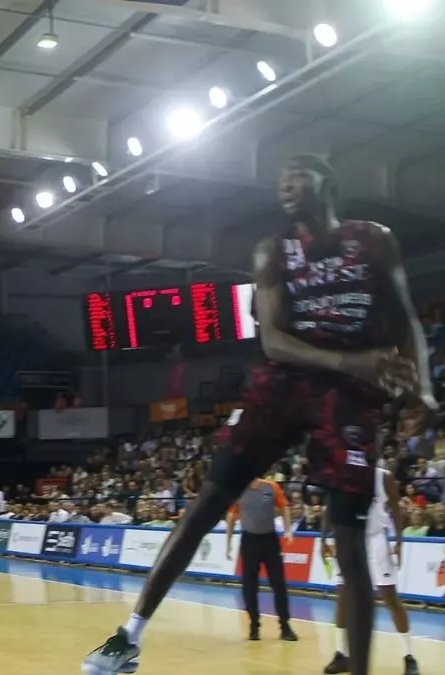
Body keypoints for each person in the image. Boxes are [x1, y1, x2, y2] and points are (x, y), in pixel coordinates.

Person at [81, 155, 437, 675]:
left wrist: (424, 391)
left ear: (328, 184)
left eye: (297, 176)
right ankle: (128, 637)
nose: (285, 186)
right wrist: (351, 361)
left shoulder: (374, 240)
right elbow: (273, 341)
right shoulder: (274, 250)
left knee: (351, 543)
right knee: (206, 503)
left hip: (348, 398)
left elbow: (406, 319)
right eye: (281, 180)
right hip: (284, 387)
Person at [322, 466, 420, 675]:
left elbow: (395, 509)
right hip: (348, 538)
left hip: (376, 540)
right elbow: (330, 507)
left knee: (390, 597)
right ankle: (341, 654)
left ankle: (409, 656)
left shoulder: (383, 477)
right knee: (343, 597)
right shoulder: (340, 475)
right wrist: (323, 540)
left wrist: (399, 541)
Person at [223, 478, 298, 642]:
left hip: (270, 540)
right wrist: (228, 543)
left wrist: (288, 530)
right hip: (249, 541)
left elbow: (284, 507)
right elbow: (231, 516)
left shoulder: (271, 486)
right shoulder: (239, 489)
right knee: (249, 586)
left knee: (279, 584)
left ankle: (285, 626)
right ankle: (254, 625)